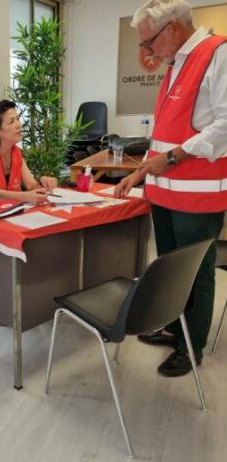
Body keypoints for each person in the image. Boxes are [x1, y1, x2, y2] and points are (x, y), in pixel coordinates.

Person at [115, 0, 227, 377]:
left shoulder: (217, 54)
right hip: (163, 193)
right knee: (168, 269)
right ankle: (173, 327)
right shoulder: (175, 64)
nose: (147, 52)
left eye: (149, 43)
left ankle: (191, 345)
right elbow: (164, 135)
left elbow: (225, 126)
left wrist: (174, 158)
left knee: (195, 271)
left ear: (174, 30)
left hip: (197, 197)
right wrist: (142, 173)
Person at [0, 100, 58, 204]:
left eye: (18, 119)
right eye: (11, 122)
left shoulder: (16, 152)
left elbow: (31, 186)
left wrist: (43, 183)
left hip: (6, 212)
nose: (19, 125)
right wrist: (25, 196)